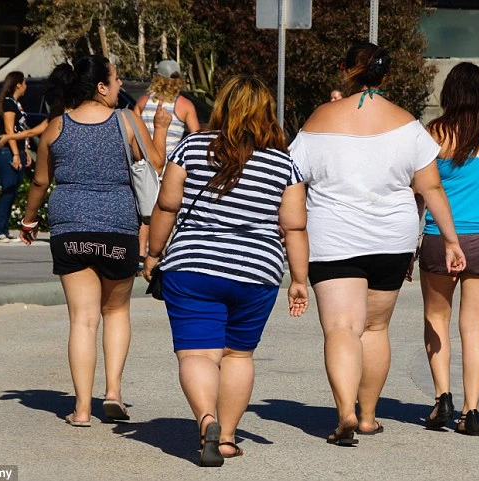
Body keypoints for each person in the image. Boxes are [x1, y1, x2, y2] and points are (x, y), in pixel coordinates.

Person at [288, 41, 466, 445]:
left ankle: (345, 414)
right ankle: (368, 416)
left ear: (344, 70)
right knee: (374, 327)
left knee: (342, 327)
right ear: (386, 75)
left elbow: (293, 180)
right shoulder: (408, 124)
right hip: (391, 240)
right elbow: (431, 188)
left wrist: (288, 234)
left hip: (333, 238)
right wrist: (451, 241)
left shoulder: (318, 120)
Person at [144, 74, 309, 467]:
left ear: (222, 106)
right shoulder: (283, 163)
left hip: (193, 265)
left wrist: (153, 253)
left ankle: (206, 421)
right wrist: (299, 280)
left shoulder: (191, 147)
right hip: (257, 271)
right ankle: (229, 438)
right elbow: (294, 227)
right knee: (237, 355)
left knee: (197, 353)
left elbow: (167, 206)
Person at [18, 55, 171, 427]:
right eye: (116, 79)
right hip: (118, 229)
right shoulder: (127, 120)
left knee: (82, 321)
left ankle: (83, 409)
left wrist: (29, 218)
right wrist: (161, 128)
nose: (120, 85)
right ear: (101, 87)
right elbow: (156, 164)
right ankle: (113, 391)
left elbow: (40, 180)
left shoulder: (57, 126)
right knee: (115, 312)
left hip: (70, 229)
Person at [417, 62, 479, 436]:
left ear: (449, 94)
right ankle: (471, 411)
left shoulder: (435, 134)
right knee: (474, 326)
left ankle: (442, 397)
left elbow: (420, 192)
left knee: (436, 317)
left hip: (442, 237)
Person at [133, 59, 200, 268]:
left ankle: (140, 253)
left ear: (156, 78)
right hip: (171, 167)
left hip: (145, 164)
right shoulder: (184, 105)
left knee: (145, 208)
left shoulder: (142, 101)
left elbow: (133, 131)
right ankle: (161, 252)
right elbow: (196, 137)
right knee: (166, 210)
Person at [0, 71, 32, 242]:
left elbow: (20, 130)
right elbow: (9, 130)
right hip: (7, 151)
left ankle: (4, 229)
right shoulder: (8, 103)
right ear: (18, 84)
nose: (26, 86)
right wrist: (15, 154)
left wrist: (25, 151)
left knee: (13, 191)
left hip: (18, 151)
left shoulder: (16, 104)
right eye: (24, 83)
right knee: (8, 190)